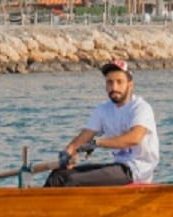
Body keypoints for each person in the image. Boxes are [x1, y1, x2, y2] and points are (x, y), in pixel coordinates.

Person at [44, 60, 159, 188]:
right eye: (110, 82)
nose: (114, 87)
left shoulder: (141, 108)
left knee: (72, 180)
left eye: (119, 82)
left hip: (137, 170)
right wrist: (68, 152)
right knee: (58, 176)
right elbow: (86, 135)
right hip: (119, 166)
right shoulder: (103, 109)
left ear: (130, 85)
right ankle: (33, 207)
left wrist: (97, 143)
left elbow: (134, 139)